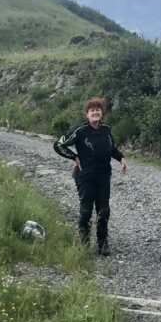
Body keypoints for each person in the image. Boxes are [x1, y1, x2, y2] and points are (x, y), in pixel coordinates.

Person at [53, 97, 127, 255]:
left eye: (98, 109)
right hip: (85, 177)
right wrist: (74, 157)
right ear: (87, 114)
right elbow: (59, 144)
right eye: (92, 110)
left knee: (104, 210)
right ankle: (85, 244)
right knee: (86, 212)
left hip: (104, 176)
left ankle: (102, 244)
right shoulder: (80, 131)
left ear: (102, 112)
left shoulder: (106, 129)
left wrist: (121, 158)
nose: (95, 112)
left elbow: (111, 147)